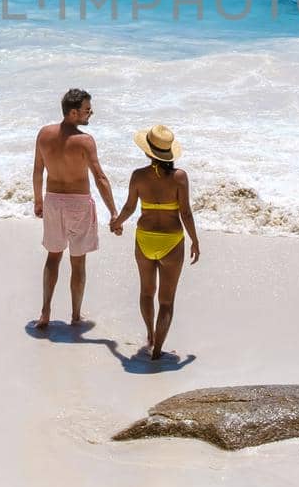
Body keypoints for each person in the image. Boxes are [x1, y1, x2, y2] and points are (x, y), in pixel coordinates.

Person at [110, 124, 200, 359]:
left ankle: (150, 334)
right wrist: (195, 241)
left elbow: (130, 207)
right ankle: (158, 350)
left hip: (144, 239)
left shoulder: (138, 176)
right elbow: (186, 213)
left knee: (146, 293)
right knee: (167, 302)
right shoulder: (180, 177)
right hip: (172, 240)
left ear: (148, 151)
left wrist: (117, 222)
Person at [32, 88, 118, 330]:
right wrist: (113, 212)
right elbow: (100, 177)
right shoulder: (84, 141)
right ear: (73, 112)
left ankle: (46, 311)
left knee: (53, 257)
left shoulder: (44, 135)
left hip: (52, 201)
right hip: (78, 204)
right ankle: (76, 315)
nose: (91, 114)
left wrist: (38, 200)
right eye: (87, 110)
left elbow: (38, 171)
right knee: (78, 262)